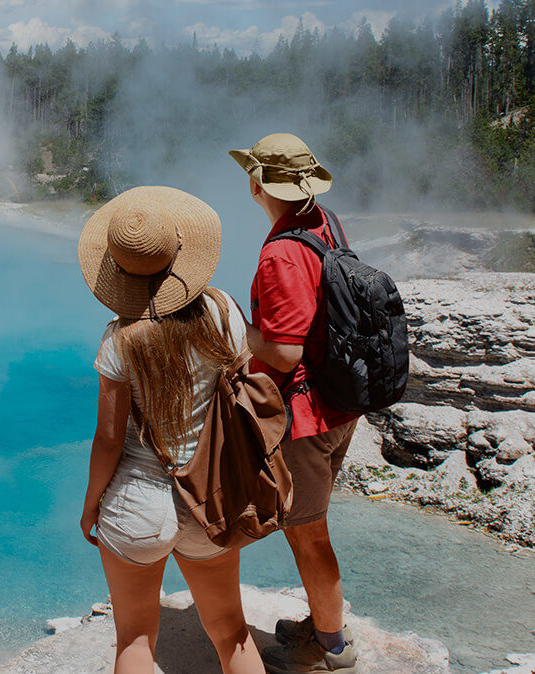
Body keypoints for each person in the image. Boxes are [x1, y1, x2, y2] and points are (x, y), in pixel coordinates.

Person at [76, 186, 265, 674]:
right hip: (210, 496)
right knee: (231, 633)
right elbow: (242, 386)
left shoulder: (120, 339)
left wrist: (92, 502)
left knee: (135, 641)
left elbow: (109, 440)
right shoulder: (222, 310)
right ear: (181, 256)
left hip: (137, 504)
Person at [229, 133, 365, 673]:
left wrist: (241, 333)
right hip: (340, 400)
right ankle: (323, 619)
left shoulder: (281, 252)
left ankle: (333, 648)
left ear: (260, 184)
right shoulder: (322, 221)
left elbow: (283, 352)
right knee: (309, 526)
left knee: (309, 534)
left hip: (304, 415)